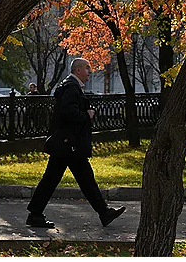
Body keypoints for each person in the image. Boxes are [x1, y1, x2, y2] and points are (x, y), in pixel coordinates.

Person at [26, 58, 125, 228]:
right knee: (72, 180)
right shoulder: (72, 87)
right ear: (78, 70)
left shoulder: (70, 86)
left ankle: (104, 212)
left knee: (76, 179)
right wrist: (87, 115)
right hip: (70, 145)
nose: (89, 72)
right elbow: (69, 112)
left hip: (68, 144)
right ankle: (103, 212)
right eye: (87, 68)